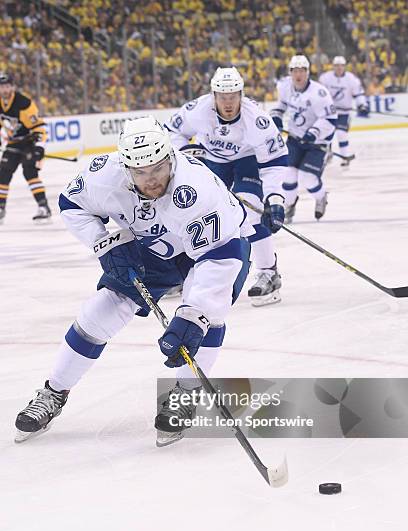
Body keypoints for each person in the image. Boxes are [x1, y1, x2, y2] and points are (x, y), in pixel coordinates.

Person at [14, 116, 285, 447]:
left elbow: (219, 259)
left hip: (219, 248)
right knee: (100, 312)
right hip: (153, 246)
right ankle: (54, 391)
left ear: (170, 157)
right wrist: (103, 243)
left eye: (158, 168)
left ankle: (186, 394)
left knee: (204, 320)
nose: (151, 179)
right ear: (125, 167)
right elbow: (72, 205)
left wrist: (193, 314)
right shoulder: (104, 176)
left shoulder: (196, 190)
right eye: (141, 172)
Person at [165, 66, 288, 307]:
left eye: (233, 96)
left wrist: (274, 199)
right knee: (196, 212)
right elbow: (172, 131)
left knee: (251, 212)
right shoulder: (198, 109)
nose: (228, 102)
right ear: (214, 95)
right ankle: (183, 270)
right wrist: (185, 153)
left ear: (241, 95)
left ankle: (268, 272)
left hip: (247, 162)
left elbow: (275, 162)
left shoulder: (258, 120)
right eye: (223, 96)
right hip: (212, 161)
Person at [271, 55, 337, 223]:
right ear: (290, 72)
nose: (298, 75)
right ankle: (290, 204)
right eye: (295, 71)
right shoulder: (285, 86)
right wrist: (277, 117)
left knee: (308, 178)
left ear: (308, 72)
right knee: (288, 173)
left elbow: (330, 119)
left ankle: (321, 197)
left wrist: (313, 133)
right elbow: (281, 105)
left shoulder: (319, 93)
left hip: (317, 142)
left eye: (302, 71)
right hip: (294, 138)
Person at [0, 73, 50, 223]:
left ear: (13, 87)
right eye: (2, 87)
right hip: (14, 142)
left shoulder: (23, 103)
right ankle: (1, 208)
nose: (4, 90)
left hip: (30, 142)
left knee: (30, 173)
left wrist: (39, 148)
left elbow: (39, 127)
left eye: (7, 86)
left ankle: (44, 207)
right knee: (3, 174)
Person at [319, 56, 369, 167]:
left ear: (345, 66)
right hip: (328, 113)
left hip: (344, 113)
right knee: (326, 134)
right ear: (333, 66)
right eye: (336, 65)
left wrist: (362, 104)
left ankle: (345, 157)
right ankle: (328, 154)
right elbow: (319, 94)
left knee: (341, 134)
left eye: (341, 65)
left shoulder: (352, 79)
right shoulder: (325, 78)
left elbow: (359, 94)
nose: (339, 68)